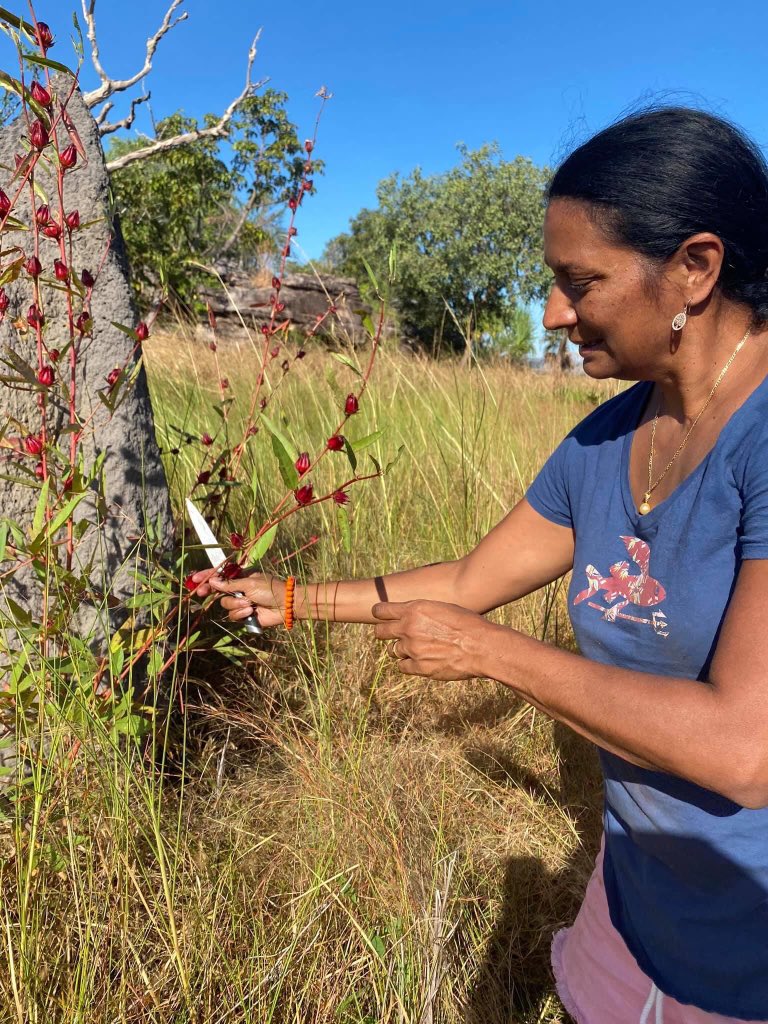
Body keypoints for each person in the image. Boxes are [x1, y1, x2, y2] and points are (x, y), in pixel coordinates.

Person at [190, 106, 768, 1023]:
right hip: (637, 902)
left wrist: (496, 655)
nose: (552, 313)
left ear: (694, 268)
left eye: (580, 281)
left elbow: (746, 750)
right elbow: (468, 582)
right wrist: (290, 599)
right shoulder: (603, 442)